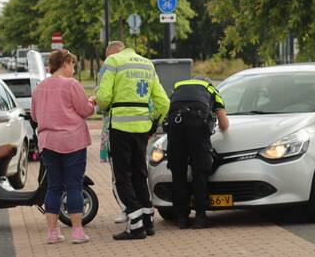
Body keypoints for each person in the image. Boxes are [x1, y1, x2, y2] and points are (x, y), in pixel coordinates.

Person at [91, 41, 169, 240]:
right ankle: (148, 221)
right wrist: (153, 124)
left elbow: (104, 97)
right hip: (142, 128)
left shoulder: (113, 62)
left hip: (120, 127)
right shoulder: (147, 64)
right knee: (139, 173)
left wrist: (105, 107)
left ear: (112, 52)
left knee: (122, 176)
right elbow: (163, 102)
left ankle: (135, 225)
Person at [31, 49, 95, 244]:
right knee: (74, 185)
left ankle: (52, 232)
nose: (73, 69)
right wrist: (92, 102)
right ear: (65, 63)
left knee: (54, 186)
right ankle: (76, 231)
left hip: (48, 142)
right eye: (73, 64)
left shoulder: (40, 88)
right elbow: (84, 110)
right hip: (72, 141)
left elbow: (34, 116)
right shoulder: (71, 85)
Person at [164, 77, 229, 229]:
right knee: (200, 171)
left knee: (178, 171)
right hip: (197, 127)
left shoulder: (177, 87)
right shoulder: (211, 89)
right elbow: (224, 125)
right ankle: (200, 217)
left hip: (175, 127)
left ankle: (182, 218)